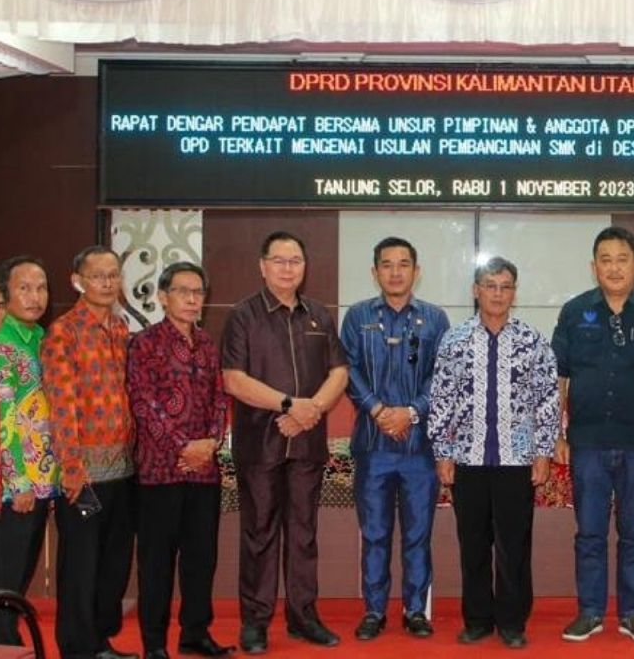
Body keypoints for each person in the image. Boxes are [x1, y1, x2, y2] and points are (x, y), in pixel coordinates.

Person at [220, 231, 348, 654]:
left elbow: (339, 372)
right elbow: (234, 379)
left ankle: (303, 616)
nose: (288, 268)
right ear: (262, 265)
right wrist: (290, 405)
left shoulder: (319, 315)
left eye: (295, 260)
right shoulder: (243, 316)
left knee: (303, 535)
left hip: (307, 445)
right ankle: (255, 623)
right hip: (261, 445)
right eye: (279, 260)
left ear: (304, 267)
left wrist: (310, 411)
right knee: (258, 534)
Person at [551, 226, 634, 644]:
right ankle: (589, 612)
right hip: (587, 441)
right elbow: (560, 378)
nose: (614, 267)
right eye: (605, 259)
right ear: (594, 267)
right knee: (589, 532)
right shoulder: (574, 312)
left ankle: (632, 612)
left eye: (622, 258)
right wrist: (558, 433)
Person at [428, 257, 559, 650]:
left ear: (514, 293)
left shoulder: (533, 341)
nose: (498, 293)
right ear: (476, 290)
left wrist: (543, 452)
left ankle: (513, 621)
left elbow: (548, 400)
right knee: (473, 543)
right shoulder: (454, 341)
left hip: (516, 462)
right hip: (467, 460)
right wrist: (442, 451)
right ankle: (478, 619)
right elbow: (441, 398)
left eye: (506, 286)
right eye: (490, 285)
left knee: (514, 544)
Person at [341, 237, 450, 641]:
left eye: (404, 264)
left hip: (420, 449)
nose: (396, 271)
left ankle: (416, 611)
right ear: (374, 272)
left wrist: (410, 412)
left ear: (416, 272)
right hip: (373, 446)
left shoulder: (436, 320)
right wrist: (378, 410)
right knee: (375, 534)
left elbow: (444, 377)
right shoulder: (357, 317)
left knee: (418, 535)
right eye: (387, 264)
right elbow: (346, 370)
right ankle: (373, 610)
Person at [127, 262, 231, 659]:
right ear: (163, 296)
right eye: (183, 291)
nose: (192, 299)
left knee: (201, 559)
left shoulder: (207, 343)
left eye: (198, 292)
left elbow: (220, 400)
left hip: (204, 472)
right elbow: (143, 403)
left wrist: (210, 443)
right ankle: (154, 643)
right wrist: (182, 447)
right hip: (159, 473)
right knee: (156, 563)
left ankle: (195, 634)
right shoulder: (145, 344)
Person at [42, 246, 137, 659]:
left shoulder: (120, 328)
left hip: (123, 470)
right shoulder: (63, 332)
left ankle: (100, 642)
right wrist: (72, 467)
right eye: (97, 275)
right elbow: (61, 406)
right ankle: (78, 649)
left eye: (113, 275)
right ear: (77, 280)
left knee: (112, 566)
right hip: (84, 475)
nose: (106, 283)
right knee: (80, 568)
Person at [0, 259, 58, 647]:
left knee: (21, 569)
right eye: (24, 288)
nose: (35, 296)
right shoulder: (1, 344)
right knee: (7, 570)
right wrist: (17, 482)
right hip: (14, 482)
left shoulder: (41, 338)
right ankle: (2, 641)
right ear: (6, 293)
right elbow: (1, 420)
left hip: (42, 477)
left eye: (41, 287)